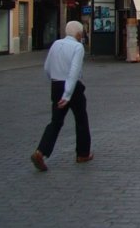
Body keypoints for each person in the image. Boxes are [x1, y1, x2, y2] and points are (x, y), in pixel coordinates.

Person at [31, 21, 92, 171]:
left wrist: (54, 81)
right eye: (82, 33)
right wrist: (67, 94)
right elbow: (74, 71)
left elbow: (47, 66)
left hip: (56, 84)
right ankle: (83, 153)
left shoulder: (56, 44)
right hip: (72, 87)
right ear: (78, 34)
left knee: (56, 122)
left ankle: (41, 151)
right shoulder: (78, 47)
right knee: (81, 120)